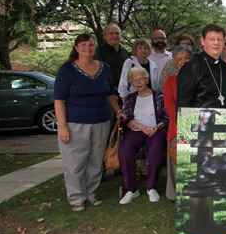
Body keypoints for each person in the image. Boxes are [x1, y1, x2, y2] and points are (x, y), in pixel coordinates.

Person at [54, 33, 124, 211]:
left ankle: (91, 193)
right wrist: (62, 126)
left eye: (91, 45)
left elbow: (109, 93)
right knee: (75, 161)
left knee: (95, 160)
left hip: (100, 121)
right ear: (76, 48)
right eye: (83, 45)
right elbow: (59, 100)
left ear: (95, 48)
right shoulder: (67, 70)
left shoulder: (104, 68)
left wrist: (118, 111)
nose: (87, 48)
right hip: (74, 123)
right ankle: (77, 197)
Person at [118, 66, 169, 204]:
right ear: (131, 83)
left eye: (141, 79)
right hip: (136, 131)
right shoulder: (130, 98)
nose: (138, 83)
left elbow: (166, 118)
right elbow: (127, 119)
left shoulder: (158, 96)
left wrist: (156, 127)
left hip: (155, 131)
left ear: (146, 79)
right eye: (135, 80)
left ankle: (151, 186)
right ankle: (131, 189)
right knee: (125, 152)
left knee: (155, 153)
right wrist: (142, 127)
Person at [177, 24, 226, 108]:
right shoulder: (190, 68)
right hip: (199, 120)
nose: (216, 43)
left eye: (219, 39)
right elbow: (183, 106)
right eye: (212, 39)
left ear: (223, 42)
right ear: (202, 41)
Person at [163, 45, 193, 200]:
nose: (183, 62)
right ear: (175, 62)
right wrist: (184, 127)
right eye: (179, 59)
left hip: (196, 126)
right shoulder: (171, 80)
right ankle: (175, 195)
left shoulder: (199, 78)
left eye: (186, 58)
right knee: (177, 163)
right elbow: (169, 106)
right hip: (177, 127)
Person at [95, 23, 129, 98]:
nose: (114, 36)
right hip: (105, 94)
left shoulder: (125, 53)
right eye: (111, 33)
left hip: (124, 94)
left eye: (117, 33)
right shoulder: (97, 52)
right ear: (105, 36)